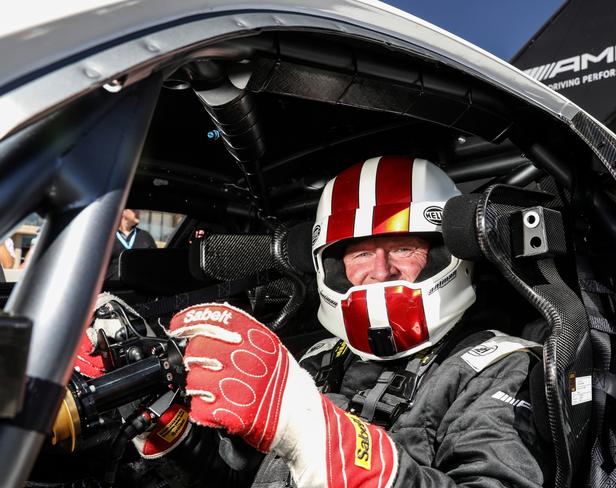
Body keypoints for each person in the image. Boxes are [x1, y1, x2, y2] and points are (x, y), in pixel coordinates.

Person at [165, 156, 549, 487]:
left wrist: (330, 447)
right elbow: (245, 477)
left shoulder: (499, 365)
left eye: (403, 248)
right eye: (360, 254)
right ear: (331, 267)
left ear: (443, 255)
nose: (380, 271)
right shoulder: (317, 358)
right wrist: (169, 428)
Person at [105, 208, 157, 280]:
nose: (138, 212)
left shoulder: (146, 236)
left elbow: (155, 266)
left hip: (139, 288)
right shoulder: (106, 236)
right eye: (134, 209)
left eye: (138, 210)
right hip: (112, 289)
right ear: (123, 211)